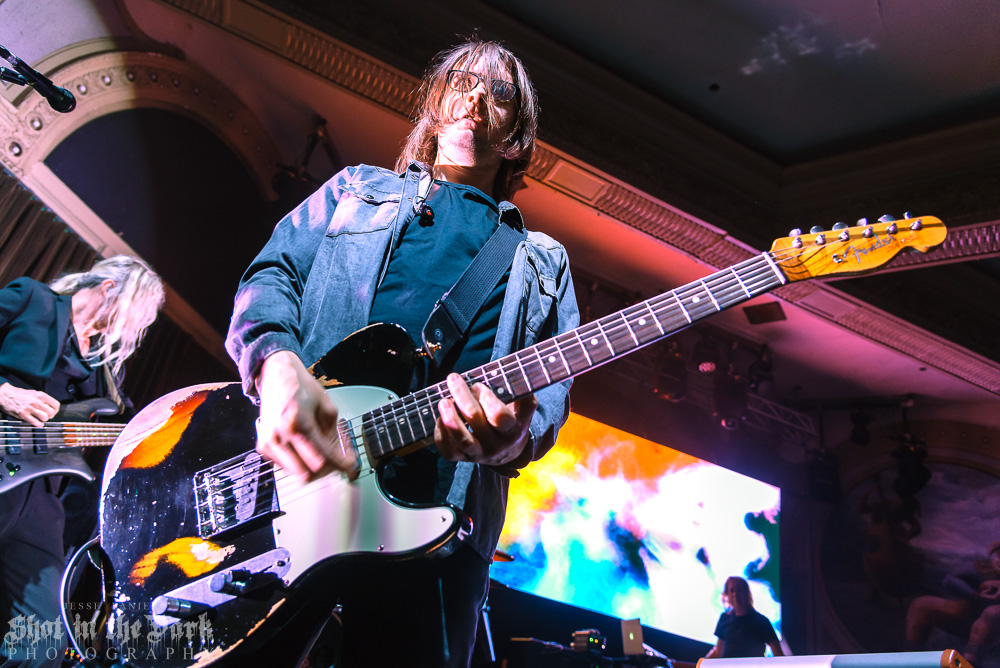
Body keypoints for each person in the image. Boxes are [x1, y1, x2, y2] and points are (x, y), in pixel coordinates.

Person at [225, 37, 578, 667]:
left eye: (498, 93)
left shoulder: (542, 261)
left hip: (441, 537)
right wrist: (277, 366)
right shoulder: (356, 189)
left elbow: (547, 400)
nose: (476, 96)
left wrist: (511, 442)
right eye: (462, 82)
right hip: (288, 503)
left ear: (516, 136)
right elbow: (271, 275)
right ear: (435, 106)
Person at [0, 255, 165, 667]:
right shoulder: (32, 299)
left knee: (44, 636)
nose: (130, 329)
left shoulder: (104, 373)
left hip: (41, 502)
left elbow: (127, 431)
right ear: (109, 289)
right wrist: (4, 391)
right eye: (133, 314)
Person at [705, 576, 784, 659]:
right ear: (727, 594)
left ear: (746, 593)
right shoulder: (724, 618)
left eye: (739, 590)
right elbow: (718, 651)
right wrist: (700, 664)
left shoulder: (761, 621)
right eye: (732, 590)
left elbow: (778, 654)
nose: (735, 594)